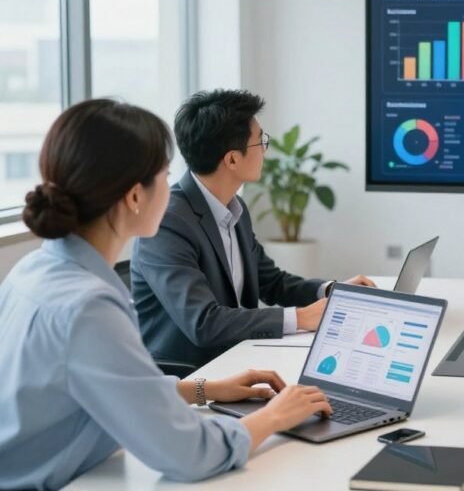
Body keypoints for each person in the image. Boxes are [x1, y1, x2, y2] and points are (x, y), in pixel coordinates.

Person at [0, 99, 333, 490]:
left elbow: (108, 384)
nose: (173, 183)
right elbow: (189, 454)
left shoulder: (33, 271)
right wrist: (276, 415)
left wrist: (201, 389)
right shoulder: (89, 307)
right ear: (135, 197)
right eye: (164, 172)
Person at [132, 89, 375, 368]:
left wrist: (330, 290)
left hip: (239, 358)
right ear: (232, 159)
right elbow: (203, 322)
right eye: (261, 142)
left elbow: (270, 281)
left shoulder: (234, 208)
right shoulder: (168, 222)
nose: (266, 151)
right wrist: (301, 317)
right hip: (193, 376)